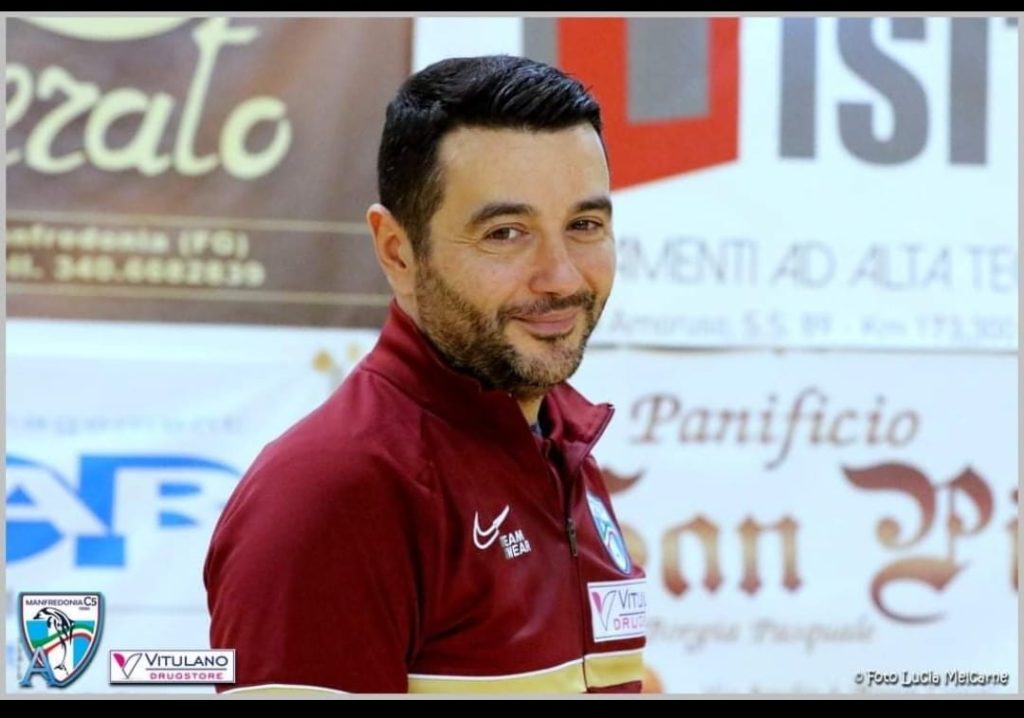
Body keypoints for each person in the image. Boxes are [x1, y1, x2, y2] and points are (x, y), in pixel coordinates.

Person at [203, 54, 646, 695]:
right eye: (505, 232)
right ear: (397, 251)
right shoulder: (330, 494)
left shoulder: (559, 443)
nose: (561, 277)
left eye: (584, 225)